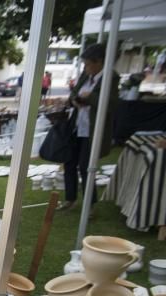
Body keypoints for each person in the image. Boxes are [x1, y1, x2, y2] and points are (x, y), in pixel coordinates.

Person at [60, 42, 118, 212]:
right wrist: (74, 100)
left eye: (88, 64)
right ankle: (70, 199)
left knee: (86, 166)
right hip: (77, 126)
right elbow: (73, 93)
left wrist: (90, 97)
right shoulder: (85, 76)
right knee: (69, 162)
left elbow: (110, 103)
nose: (85, 67)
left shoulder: (111, 78)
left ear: (99, 62)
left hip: (92, 130)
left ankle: (89, 204)